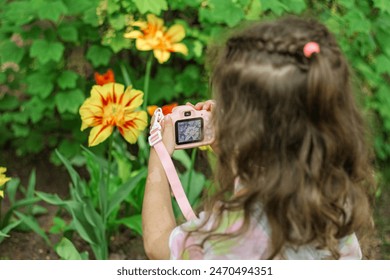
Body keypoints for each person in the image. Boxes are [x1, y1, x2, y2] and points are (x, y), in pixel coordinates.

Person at [142, 16, 375, 260]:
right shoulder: (336, 196)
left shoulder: (231, 232)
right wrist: (233, 147)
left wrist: (159, 151)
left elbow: (158, 246)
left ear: (244, 133)